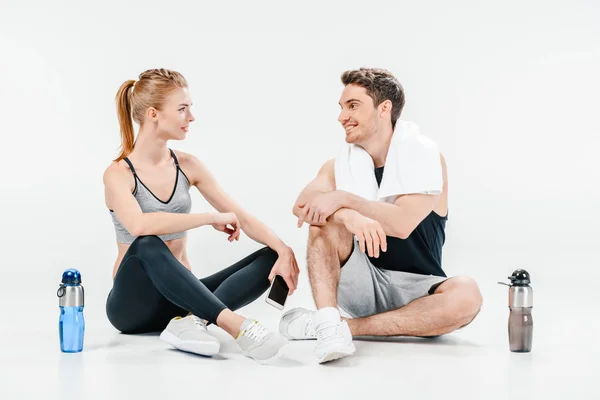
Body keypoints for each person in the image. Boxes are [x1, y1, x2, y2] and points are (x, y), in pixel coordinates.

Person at [278, 68, 483, 363]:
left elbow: (400, 224)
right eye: (342, 107)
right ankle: (328, 321)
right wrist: (348, 216)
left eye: (353, 106)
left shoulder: (426, 157)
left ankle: (335, 327)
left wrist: (342, 199)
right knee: (323, 224)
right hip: (365, 281)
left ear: (384, 108)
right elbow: (303, 206)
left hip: (419, 291)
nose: (341, 116)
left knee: (467, 294)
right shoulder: (338, 165)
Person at [104, 68, 299, 364]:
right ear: (153, 114)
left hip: (181, 301)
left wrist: (284, 249)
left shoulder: (188, 165)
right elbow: (139, 225)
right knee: (147, 243)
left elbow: (239, 215)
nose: (191, 117)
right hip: (133, 308)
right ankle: (233, 324)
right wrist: (208, 218)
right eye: (182, 109)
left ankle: (191, 322)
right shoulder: (118, 173)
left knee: (271, 255)